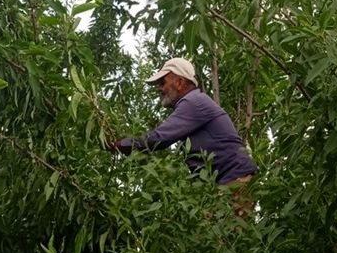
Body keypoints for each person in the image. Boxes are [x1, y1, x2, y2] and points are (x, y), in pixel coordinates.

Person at [109, 58, 258, 207]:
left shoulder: (193, 102)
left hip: (235, 180)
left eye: (162, 83)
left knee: (228, 228)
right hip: (228, 181)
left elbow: (158, 139)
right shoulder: (194, 102)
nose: (159, 89)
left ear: (180, 82)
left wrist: (121, 144)